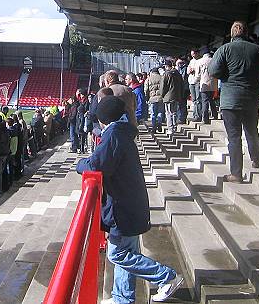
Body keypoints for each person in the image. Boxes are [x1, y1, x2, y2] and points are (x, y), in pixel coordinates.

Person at [76, 97, 183, 304]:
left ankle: (166, 277)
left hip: (122, 206)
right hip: (130, 202)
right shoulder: (122, 132)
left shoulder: (114, 135)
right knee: (128, 251)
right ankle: (122, 298)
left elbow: (97, 165)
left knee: (117, 254)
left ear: (101, 119)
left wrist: (80, 164)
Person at [209, 21, 259, 183]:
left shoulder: (224, 49)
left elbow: (213, 71)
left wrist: (227, 74)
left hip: (230, 100)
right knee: (252, 131)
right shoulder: (257, 49)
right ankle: (257, 158)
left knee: (234, 137)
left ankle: (236, 173)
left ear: (232, 34)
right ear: (246, 33)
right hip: (251, 98)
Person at [158, 59, 184, 135]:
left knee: (168, 113)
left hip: (168, 96)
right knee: (174, 112)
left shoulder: (166, 74)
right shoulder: (177, 73)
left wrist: (162, 95)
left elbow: (163, 87)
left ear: (166, 66)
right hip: (176, 96)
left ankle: (170, 128)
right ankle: (174, 127)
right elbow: (182, 85)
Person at [198, 51, 219, 124]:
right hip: (213, 84)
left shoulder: (200, 61)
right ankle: (215, 115)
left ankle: (205, 118)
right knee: (211, 100)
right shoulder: (214, 60)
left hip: (204, 84)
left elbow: (198, 74)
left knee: (205, 101)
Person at [145, 68, 165, 133]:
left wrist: (147, 98)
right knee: (160, 112)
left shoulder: (148, 79)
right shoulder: (162, 77)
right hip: (161, 98)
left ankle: (154, 126)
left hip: (152, 98)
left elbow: (146, 90)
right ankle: (159, 123)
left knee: (153, 113)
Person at [187, 50, 202, 122]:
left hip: (198, 81)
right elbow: (187, 71)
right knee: (194, 100)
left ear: (197, 53)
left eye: (194, 54)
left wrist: (195, 70)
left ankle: (198, 115)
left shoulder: (201, 60)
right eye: (192, 54)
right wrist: (189, 70)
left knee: (198, 99)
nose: (193, 56)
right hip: (191, 81)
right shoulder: (191, 61)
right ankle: (194, 114)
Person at [175, 59, 189, 124]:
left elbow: (182, 79)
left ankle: (181, 118)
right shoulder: (180, 69)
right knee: (180, 104)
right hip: (181, 89)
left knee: (181, 104)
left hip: (183, 89)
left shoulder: (184, 69)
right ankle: (180, 117)